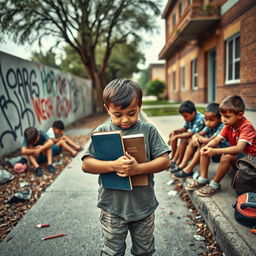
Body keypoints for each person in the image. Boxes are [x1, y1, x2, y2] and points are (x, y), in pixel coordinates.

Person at [81, 78, 170, 256]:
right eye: (117, 114)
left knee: (144, 251)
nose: (125, 120)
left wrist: (137, 169)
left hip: (143, 206)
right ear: (107, 109)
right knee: (112, 251)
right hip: (112, 207)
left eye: (132, 113)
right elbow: (86, 164)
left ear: (140, 106)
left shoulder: (148, 130)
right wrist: (113, 165)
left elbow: (165, 161)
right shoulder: (101, 131)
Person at [195, 95, 256, 197]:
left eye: (227, 117)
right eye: (222, 116)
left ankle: (214, 185)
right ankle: (203, 178)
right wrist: (208, 147)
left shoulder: (246, 126)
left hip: (252, 160)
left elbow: (239, 148)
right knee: (205, 147)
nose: (223, 120)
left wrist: (214, 151)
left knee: (226, 155)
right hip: (241, 156)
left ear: (240, 115)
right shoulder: (229, 125)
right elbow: (216, 140)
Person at [173, 103, 229, 178]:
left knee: (203, 145)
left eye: (211, 120)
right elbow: (197, 134)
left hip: (221, 153)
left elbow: (212, 140)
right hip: (213, 149)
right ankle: (183, 165)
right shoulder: (209, 126)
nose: (208, 122)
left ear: (219, 119)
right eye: (206, 120)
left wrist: (199, 138)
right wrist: (196, 137)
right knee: (195, 142)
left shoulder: (222, 126)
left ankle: (189, 169)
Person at [168, 100, 205, 170]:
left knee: (183, 138)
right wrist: (175, 131)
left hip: (200, 140)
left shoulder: (200, 119)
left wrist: (176, 136)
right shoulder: (190, 118)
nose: (184, 119)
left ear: (193, 113)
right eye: (183, 116)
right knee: (176, 134)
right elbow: (184, 128)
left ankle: (178, 161)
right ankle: (173, 158)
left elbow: (191, 133)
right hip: (193, 138)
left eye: (185, 116)